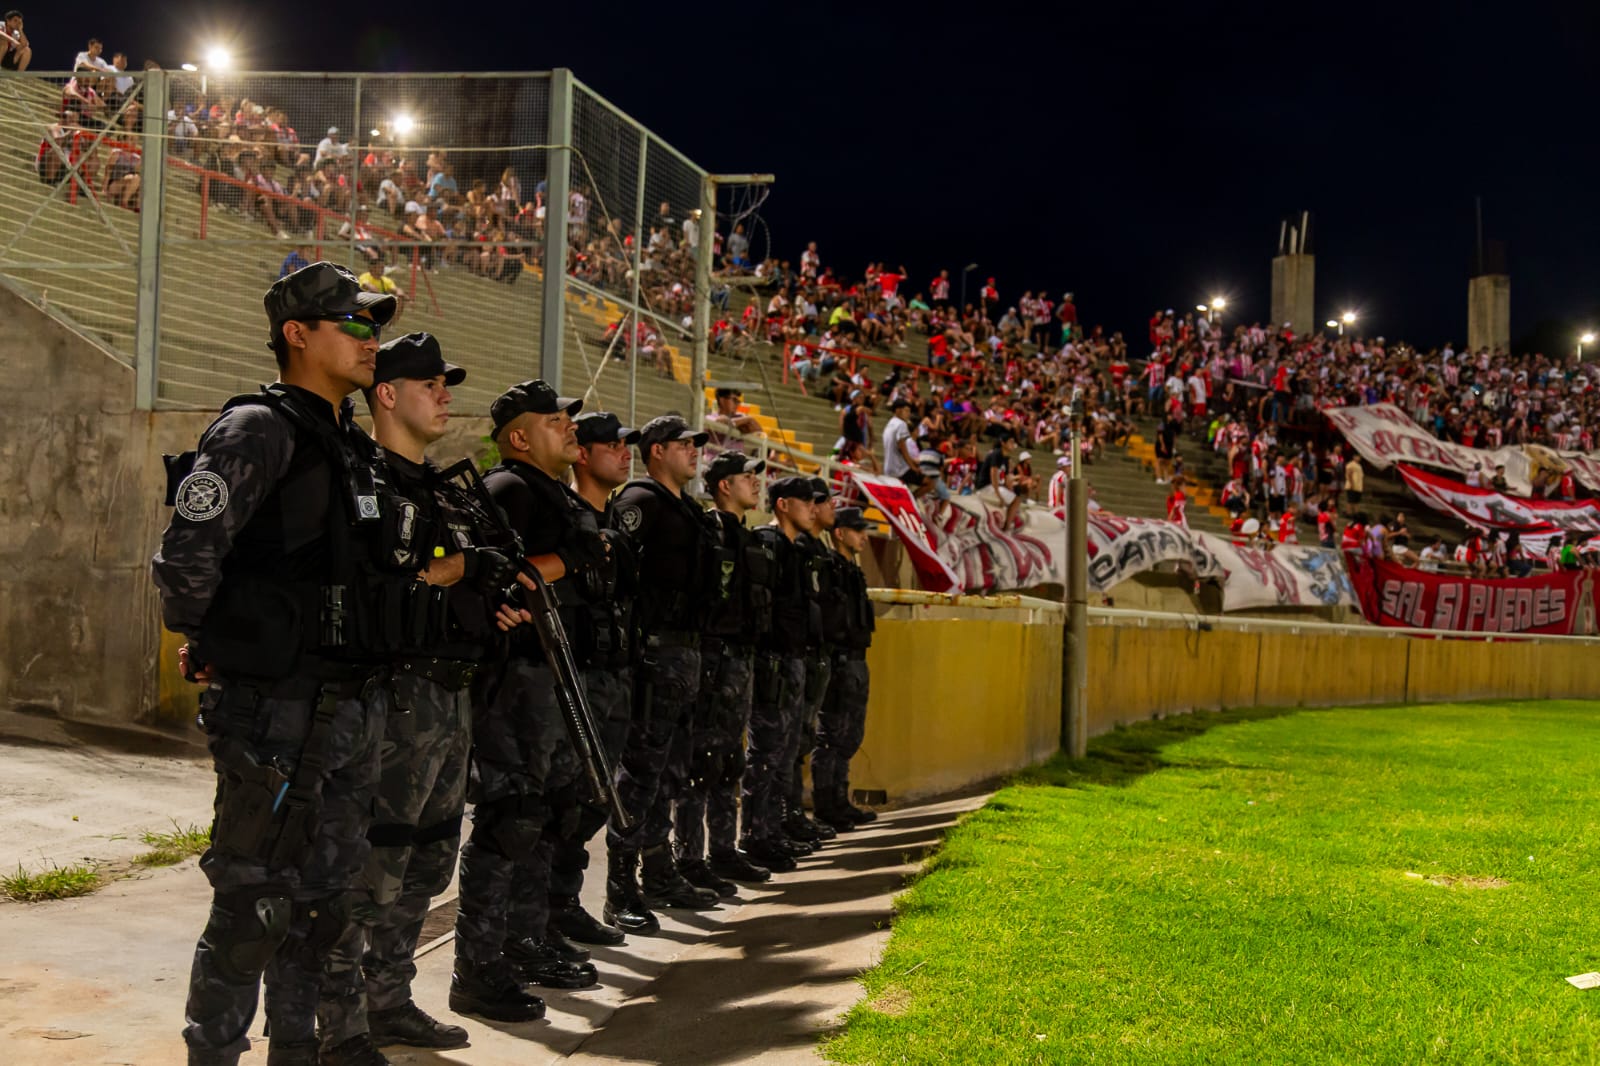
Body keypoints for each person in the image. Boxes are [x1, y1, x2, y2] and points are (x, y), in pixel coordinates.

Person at [151, 262, 402, 1066]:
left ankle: (298, 1050)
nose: (373, 342)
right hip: (274, 706)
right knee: (253, 905)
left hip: (347, 706)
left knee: (324, 905)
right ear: (299, 334)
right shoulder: (258, 427)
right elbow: (188, 555)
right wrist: (221, 644)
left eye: (375, 327)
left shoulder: (347, 443)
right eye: (355, 325)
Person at [316, 334, 516, 1063]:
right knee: (370, 864)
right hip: (390, 697)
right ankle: (334, 1024)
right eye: (430, 383)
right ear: (387, 394)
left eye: (447, 384)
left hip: (450, 694)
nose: (445, 395)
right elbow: (382, 583)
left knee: (426, 860)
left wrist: (484, 599)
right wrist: (457, 569)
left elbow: (454, 583)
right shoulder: (361, 478)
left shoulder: (440, 489)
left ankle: (389, 1000)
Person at [451, 379, 599, 1024]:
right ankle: (478, 967)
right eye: (554, 419)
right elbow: (492, 569)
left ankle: (525, 941)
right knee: (510, 817)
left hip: (552, 674)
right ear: (518, 436)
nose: (570, 426)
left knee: (546, 814)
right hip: (517, 677)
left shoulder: (551, 491)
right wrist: (568, 559)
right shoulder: (509, 487)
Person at [605, 415, 721, 930]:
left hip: (686, 653)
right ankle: (619, 886)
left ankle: (658, 873)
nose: (694, 451)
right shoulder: (641, 502)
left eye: (696, 444)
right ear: (655, 451)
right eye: (683, 444)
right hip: (655, 652)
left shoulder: (687, 509)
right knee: (640, 774)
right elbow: (618, 577)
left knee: (670, 773)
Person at [544, 411, 642, 948]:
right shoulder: (567, 516)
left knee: (593, 800)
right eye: (611, 444)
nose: (624, 452)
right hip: (574, 672)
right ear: (583, 454)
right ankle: (548, 912)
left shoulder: (612, 521)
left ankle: (565, 901)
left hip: (614, 672)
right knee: (563, 801)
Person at [673, 451, 776, 892]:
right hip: (713, 658)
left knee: (729, 760)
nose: (755, 483)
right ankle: (689, 857)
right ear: (722, 486)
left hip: (740, 659)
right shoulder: (707, 530)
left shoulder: (747, 536)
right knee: (702, 761)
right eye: (745, 477)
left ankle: (723, 850)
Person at [740, 477, 822, 870]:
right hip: (771, 661)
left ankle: (772, 830)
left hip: (793, 660)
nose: (813, 508)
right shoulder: (767, 545)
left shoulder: (796, 550)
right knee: (766, 752)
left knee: (786, 751)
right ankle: (755, 835)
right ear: (784, 505)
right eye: (806, 501)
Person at [811, 506, 877, 831]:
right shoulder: (830, 567)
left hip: (856, 659)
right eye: (857, 529)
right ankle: (826, 806)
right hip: (838, 661)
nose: (863, 536)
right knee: (831, 736)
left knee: (851, 735)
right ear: (840, 533)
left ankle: (841, 799)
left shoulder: (853, 571)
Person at [785, 480, 839, 848]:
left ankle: (791, 816)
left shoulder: (816, 548)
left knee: (802, 738)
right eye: (817, 501)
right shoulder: (797, 548)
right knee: (788, 743)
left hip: (815, 654)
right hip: (797, 654)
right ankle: (786, 816)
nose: (824, 506)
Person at [882, 397, 917, 481]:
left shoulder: (890, 423)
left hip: (888, 466)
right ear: (898, 410)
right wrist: (912, 466)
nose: (909, 414)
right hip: (899, 468)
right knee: (929, 480)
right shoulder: (902, 424)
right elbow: (902, 448)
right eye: (906, 411)